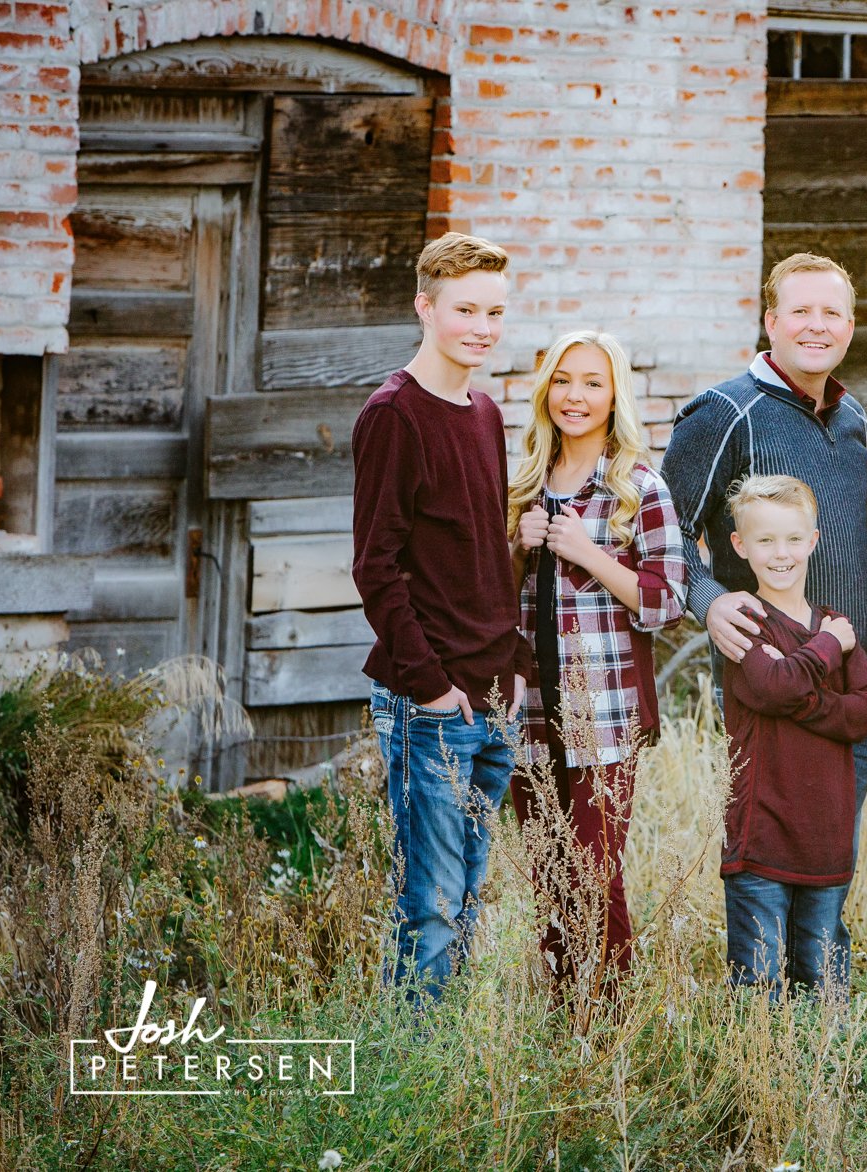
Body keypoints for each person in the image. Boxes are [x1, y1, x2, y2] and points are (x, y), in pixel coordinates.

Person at [661, 253, 867, 978]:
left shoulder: (855, 419)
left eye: (832, 313)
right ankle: (761, 1036)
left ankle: (819, 1046)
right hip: (774, 684)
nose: (817, 325)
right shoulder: (726, 412)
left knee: (827, 881)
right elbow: (664, 532)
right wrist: (709, 599)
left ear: (849, 325)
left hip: (849, 689)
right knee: (769, 866)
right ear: (771, 321)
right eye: (801, 311)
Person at [351, 232, 533, 997]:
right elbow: (376, 567)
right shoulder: (395, 416)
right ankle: (412, 1068)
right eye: (466, 310)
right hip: (432, 705)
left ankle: (450, 1068)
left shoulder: (485, 412)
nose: (482, 328)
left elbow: (487, 554)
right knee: (427, 905)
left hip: (494, 697)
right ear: (426, 307)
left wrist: (517, 665)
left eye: (495, 311)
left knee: (465, 901)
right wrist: (429, 686)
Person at [507, 330, 688, 991]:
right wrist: (517, 550)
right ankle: (565, 1023)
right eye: (562, 380)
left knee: (593, 875)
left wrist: (589, 553)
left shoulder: (638, 487)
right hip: (530, 714)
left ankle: (605, 1023)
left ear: (615, 397)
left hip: (604, 717)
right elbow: (494, 605)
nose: (575, 396)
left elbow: (667, 603)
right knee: (547, 878)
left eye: (592, 382)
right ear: (545, 391)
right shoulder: (523, 483)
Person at [718, 475, 867, 999]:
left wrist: (802, 694)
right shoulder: (742, 620)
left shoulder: (835, 624)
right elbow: (769, 688)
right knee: (759, 986)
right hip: (760, 833)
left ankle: (821, 1079)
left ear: (813, 541)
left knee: (823, 981)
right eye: (764, 540)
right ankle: (763, 1079)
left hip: (826, 837)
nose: (780, 553)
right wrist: (825, 653)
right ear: (741, 546)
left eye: (792, 539)